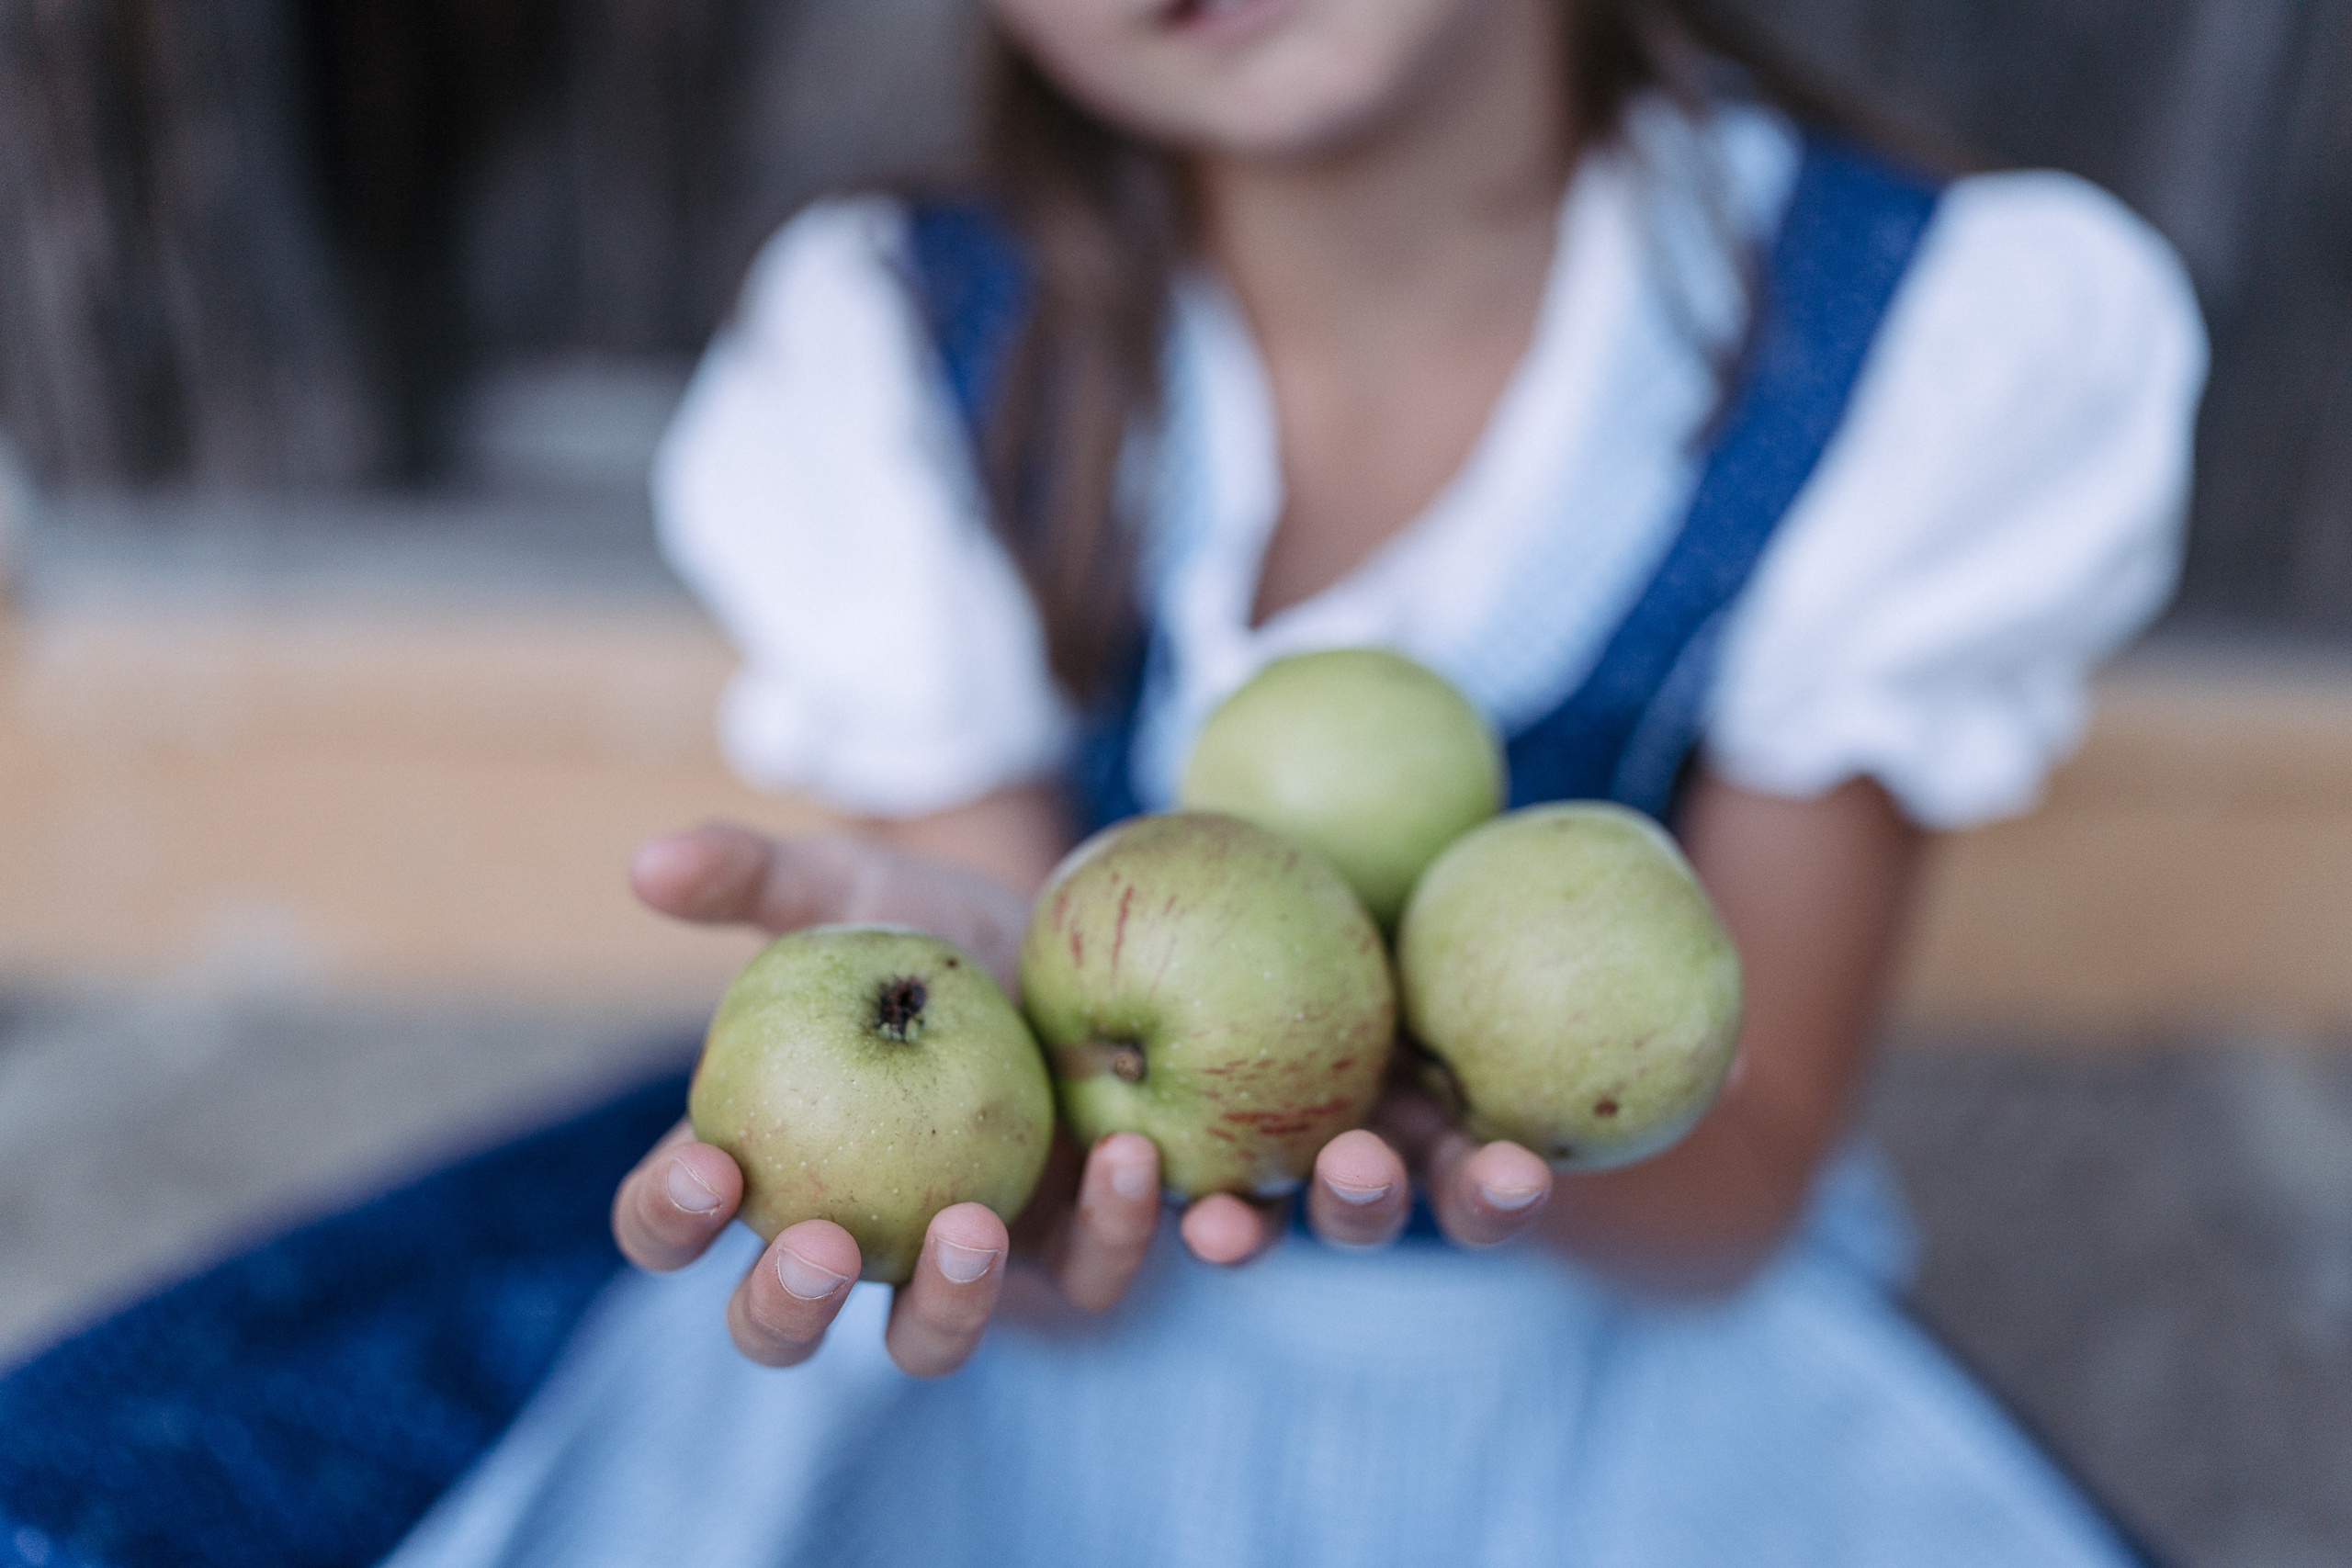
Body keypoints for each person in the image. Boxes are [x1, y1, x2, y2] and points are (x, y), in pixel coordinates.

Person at [0, 2, 2204, 1564]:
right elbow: (1065, 1233)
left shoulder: (1926, 334)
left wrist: (1412, 1091)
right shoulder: (902, 342)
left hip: (1593, 1332)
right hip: (1075, 1329)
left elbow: (1728, 1193)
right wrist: (1031, 1122)